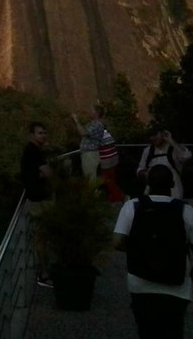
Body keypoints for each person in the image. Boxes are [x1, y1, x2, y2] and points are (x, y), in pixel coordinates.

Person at [113, 164, 193, 339]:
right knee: (174, 329)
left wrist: (136, 250)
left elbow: (117, 241)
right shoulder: (185, 211)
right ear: (172, 184)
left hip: (141, 279)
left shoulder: (132, 206)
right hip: (177, 282)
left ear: (148, 183)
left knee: (146, 329)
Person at [21, 121, 53, 286]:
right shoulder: (34, 152)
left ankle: (44, 270)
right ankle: (44, 273)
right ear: (32, 135)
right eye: (40, 133)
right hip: (39, 200)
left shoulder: (33, 151)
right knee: (42, 237)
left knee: (42, 237)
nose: (43, 135)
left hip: (37, 197)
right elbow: (48, 173)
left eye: (44, 132)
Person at [137, 125, 191, 199]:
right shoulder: (148, 151)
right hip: (152, 191)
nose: (153, 138)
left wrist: (171, 140)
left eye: (155, 134)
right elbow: (140, 169)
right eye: (150, 136)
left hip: (174, 191)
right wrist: (146, 174)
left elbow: (187, 156)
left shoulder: (174, 148)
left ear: (163, 133)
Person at [72, 104, 106, 181]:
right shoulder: (92, 124)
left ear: (96, 114)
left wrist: (76, 120)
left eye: (91, 111)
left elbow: (82, 132)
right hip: (88, 154)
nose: (88, 112)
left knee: (91, 179)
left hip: (91, 155)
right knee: (89, 177)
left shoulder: (97, 124)